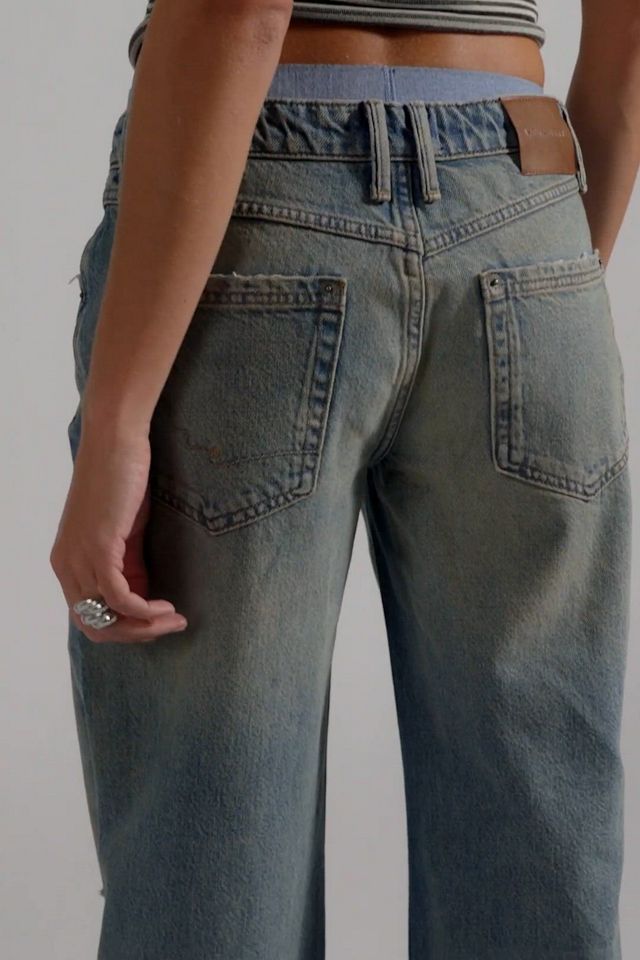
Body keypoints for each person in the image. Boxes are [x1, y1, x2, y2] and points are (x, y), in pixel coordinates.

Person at [49, 1, 637, 957]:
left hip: (258, 203)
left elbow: (237, 11)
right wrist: (546, 271)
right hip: (530, 215)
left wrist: (118, 422)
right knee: (536, 824)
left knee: (216, 825)